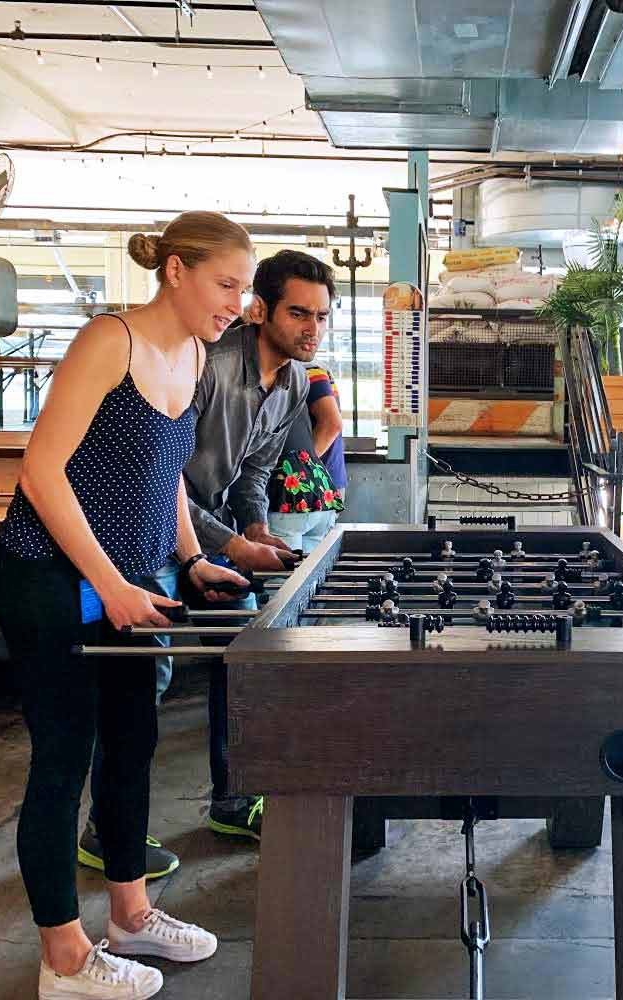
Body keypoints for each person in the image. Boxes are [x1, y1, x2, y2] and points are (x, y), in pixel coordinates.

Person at [0, 211, 254, 999]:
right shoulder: (109, 341)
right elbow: (42, 472)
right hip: (47, 578)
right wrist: (108, 583)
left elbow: (167, 467)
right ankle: (63, 960)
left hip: (137, 583)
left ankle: (131, 914)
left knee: (132, 745)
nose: (237, 302)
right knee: (63, 760)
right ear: (175, 271)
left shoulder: (197, 353)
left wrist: (192, 557)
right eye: (225, 283)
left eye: (243, 287)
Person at [184, 248, 336, 839]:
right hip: (153, 538)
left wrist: (253, 527)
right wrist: (231, 543)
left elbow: (252, 470)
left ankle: (232, 800)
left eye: (321, 316)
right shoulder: (209, 365)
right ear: (260, 308)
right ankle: (110, 828)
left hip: (217, 530)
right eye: (299, 313)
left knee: (239, 664)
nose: (312, 329)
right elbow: (161, 479)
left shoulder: (295, 381)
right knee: (142, 686)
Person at [266, 361, 346, 552]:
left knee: (284, 576)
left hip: (299, 489)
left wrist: (302, 471)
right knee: (310, 572)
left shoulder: (306, 369)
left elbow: (331, 424)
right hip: (324, 489)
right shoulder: (311, 369)